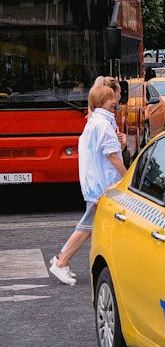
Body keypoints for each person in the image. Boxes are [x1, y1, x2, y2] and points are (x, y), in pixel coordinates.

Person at [49, 80, 128, 286]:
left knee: (91, 225)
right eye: (112, 101)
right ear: (103, 101)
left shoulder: (96, 121)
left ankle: (61, 259)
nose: (116, 103)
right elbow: (112, 156)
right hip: (103, 185)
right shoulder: (102, 123)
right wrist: (128, 176)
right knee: (87, 226)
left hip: (97, 183)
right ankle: (61, 261)